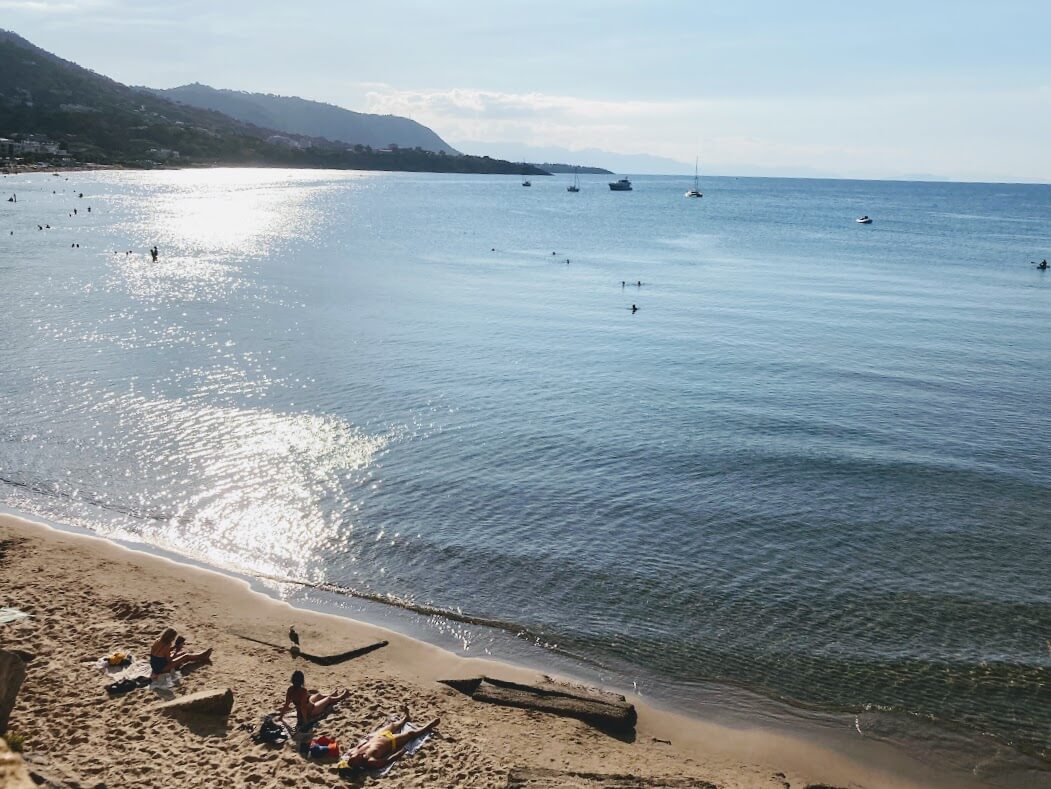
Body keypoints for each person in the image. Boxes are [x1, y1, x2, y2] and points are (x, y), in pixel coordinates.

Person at [341, 710, 439, 770]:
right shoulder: (370, 761)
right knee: (411, 734)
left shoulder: (355, 753)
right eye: (355, 758)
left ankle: (405, 719)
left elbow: (346, 756)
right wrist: (402, 752)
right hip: (391, 741)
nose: (355, 755)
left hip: (379, 736)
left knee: (393, 725)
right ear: (358, 764)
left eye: (353, 756)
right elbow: (388, 760)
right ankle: (428, 726)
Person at [277, 670, 349, 731]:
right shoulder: (303, 691)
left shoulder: (290, 689)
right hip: (311, 711)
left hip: (306, 707)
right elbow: (303, 708)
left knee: (318, 695)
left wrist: (281, 717)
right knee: (329, 699)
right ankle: (341, 696)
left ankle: (333, 694)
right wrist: (305, 721)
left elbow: (286, 705)